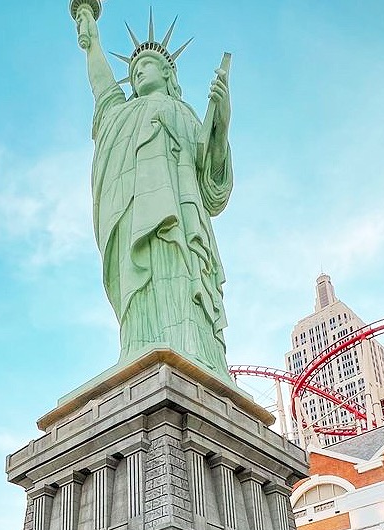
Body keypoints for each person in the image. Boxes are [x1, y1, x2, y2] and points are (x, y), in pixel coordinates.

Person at [75, 6, 233, 381]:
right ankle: (140, 345)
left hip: (181, 223)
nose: (137, 72)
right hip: (131, 219)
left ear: (167, 72)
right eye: (132, 71)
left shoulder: (184, 112)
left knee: (180, 283)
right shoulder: (118, 113)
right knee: (141, 289)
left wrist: (221, 125)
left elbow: (212, 188)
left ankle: (193, 346)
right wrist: (90, 36)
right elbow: (101, 83)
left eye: (145, 65)